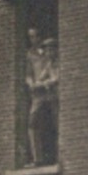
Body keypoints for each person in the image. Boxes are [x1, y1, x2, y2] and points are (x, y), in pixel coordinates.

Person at [25, 28, 59, 167]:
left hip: (51, 93)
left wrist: (44, 83)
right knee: (33, 122)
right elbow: (28, 74)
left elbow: (55, 75)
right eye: (31, 37)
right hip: (38, 94)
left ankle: (57, 155)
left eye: (36, 36)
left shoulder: (50, 53)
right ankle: (37, 158)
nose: (34, 39)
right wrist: (32, 83)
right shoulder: (30, 55)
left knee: (54, 122)